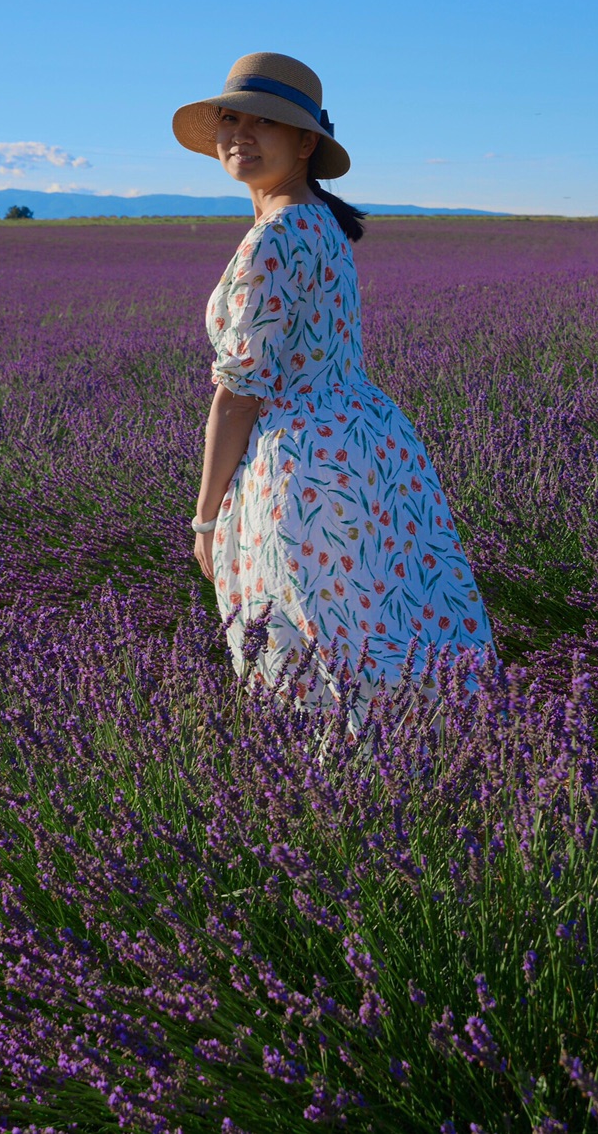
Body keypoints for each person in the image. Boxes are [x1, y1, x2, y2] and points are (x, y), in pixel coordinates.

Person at [174, 52, 496, 722]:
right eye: (231, 118)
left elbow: (239, 393)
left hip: (303, 463)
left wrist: (205, 520)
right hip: (368, 445)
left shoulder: (279, 232)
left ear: (305, 141)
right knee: (383, 620)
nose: (240, 132)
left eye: (265, 121)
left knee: (318, 637)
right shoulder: (317, 219)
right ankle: (430, 764)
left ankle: (352, 791)